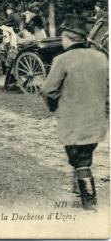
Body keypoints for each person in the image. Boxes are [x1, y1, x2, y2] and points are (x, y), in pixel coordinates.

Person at [41, 15, 108, 211]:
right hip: (97, 121)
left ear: (68, 38)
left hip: (73, 122)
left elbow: (48, 90)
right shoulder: (101, 57)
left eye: (63, 37)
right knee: (84, 155)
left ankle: (89, 200)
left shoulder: (62, 59)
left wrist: (53, 106)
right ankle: (77, 186)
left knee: (79, 158)